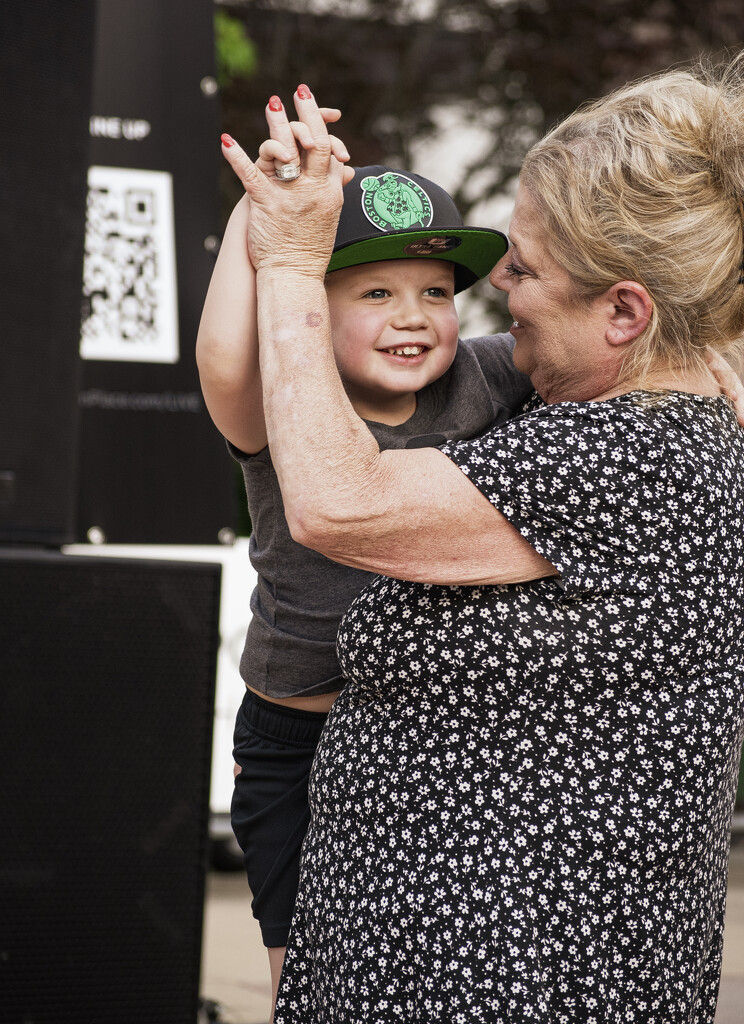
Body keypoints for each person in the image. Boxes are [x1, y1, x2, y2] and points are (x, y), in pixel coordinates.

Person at [219, 60, 744, 1024]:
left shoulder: (630, 453)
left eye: (526, 268)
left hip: (504, 972)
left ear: (626, 312)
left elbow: (337, 502)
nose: (499, 285)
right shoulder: (631, 422)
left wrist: (292, 258)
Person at [197, 107, 534, 1015]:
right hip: (298, 738)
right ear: (309, 305)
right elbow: (228, 351)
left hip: (428, 740)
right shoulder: (280, 398)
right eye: (377, 293)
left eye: (435, 292)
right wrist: (265, 209)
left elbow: (598, 351)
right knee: (304, 981)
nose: (415, 318)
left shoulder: (488, 377)